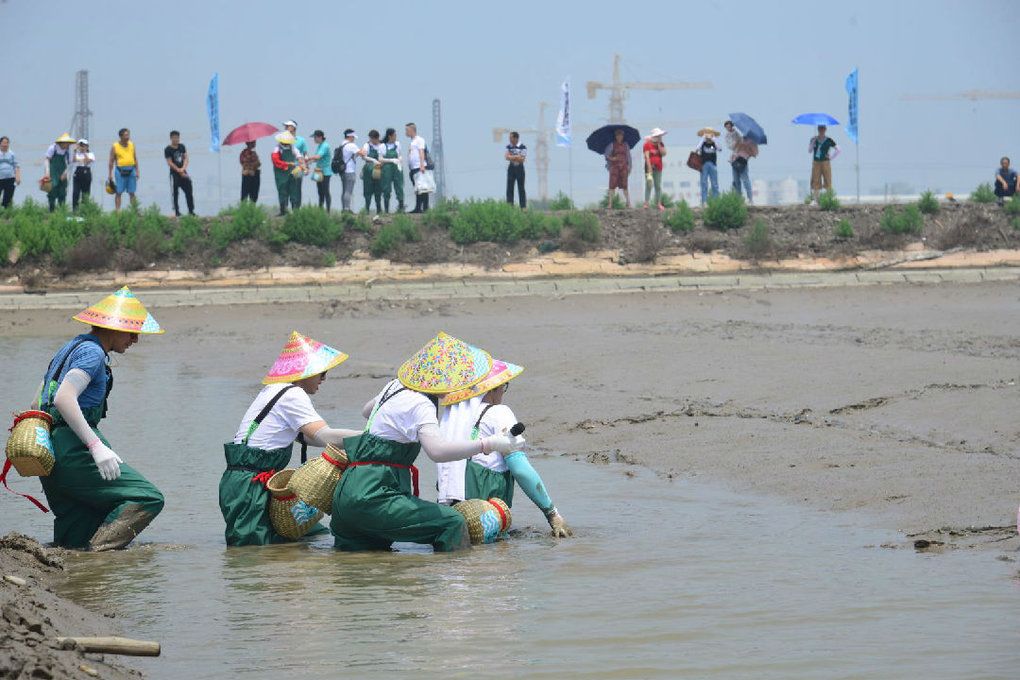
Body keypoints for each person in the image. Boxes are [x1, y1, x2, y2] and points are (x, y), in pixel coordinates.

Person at [330, 332, 525, 552]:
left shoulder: (394, 386)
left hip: (346, 495)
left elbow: (367, 411)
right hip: (375, 496)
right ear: (445, 379)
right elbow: (437, 451)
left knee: (360, 566)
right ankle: (454, 580)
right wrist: (489, 444)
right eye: (459, 379)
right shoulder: (421, 404)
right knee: (451, 523)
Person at [28, 287, 165, 551]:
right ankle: (99, 558)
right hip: (74, 447)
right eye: (131, 331)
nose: (135, 339)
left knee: (79, 527)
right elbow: (64, 398)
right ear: (111, 328)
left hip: (49, 449)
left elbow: (37, 402)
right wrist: (95, 446)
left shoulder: (70, 347)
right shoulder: (92, 354)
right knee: (147, 497)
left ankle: (83, 574)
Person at [220, 331, 362, 546]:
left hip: (248, 482)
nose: (324, 379)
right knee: (250, 556)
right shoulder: (293, 394)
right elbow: (324, 435)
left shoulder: (274, 390)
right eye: (322, 373)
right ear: (305, 373)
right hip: (250, 488)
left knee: (312, 532)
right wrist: (372, 436)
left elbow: (311, 438)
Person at [437, 358, 572, 538]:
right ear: (492, 388)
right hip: (484, 518)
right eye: (504, 385)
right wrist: (552, 514)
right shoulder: (499, 412)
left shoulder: (451, 419)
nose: (503, 391)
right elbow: (520, 469)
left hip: (449, 516)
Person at [271, 132, 303, 216]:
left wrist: (300, 159)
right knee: (282, 191)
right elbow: (276, 161)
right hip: (280, 173)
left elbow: (298, 154)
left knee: (293, 190)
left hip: (291, 172)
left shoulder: (292, 147)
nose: (287, 144)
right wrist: (287, 164)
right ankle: (283, 211)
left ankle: (295, 211)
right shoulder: (277, 149)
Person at [164, 130, 195, 217]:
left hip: (183, 171)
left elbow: (186, 158)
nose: (176, 139)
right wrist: (178, 170)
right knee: (175, 192)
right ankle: (177, 211)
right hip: (174, 173)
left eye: (177, 137)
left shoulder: (182, 146)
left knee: (189, 190)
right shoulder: (168, 149)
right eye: (174, 138)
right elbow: (169, 162)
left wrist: (183, 168)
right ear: (171, 138)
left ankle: (191, 211)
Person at [108, 128, 139, 211]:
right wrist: (110, 175)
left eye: (128, 135)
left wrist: (137, 171)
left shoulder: (132, 144)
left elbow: (135, 158)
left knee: (132, 192)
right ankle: (118, 211)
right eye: (125, 135)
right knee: (119, 192)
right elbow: (111, 161)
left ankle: (134, 210)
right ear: (121, 136)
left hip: (131, 170)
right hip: (120, 171)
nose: (127, 137)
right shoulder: (115, 146)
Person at [43, 133, 76, 212]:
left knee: (62, 191)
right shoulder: (53, 148)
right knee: (52, 191)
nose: (68, 145)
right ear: (62, 142)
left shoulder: (68, 150)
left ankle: (62, 211)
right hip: (53, 172)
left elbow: (70, 163)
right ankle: (51, 211)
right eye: (67, 143)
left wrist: (65, 173)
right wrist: (47, 172)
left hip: (62, 171)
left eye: (69, 143)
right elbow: (47, 159)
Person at [724, 121, 755, 203]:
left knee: (745, 180)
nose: (728, 128)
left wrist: (739, 140)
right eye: (726, 127)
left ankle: (750, 198)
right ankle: (739, 200)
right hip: (734, 160)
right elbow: (730, 146)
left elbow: (748, 150)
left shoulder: (740, 136)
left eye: (729, 126)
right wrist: (736, 143)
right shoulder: (727, 136)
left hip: (742, 160)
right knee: (736, 181)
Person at [808, 124, 839, 201]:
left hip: (825, 162)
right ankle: (816, 199)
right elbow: (809, 150)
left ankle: (829, 199)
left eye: (823, 129)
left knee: (828, 180)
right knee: (816, 180)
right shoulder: (813, 139)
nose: (821, 130)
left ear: (825, 129)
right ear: (818, 129)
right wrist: (813, 142)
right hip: (816, 162)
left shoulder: (829, 140)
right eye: (820, 129)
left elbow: (838, 149)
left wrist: (831, 157)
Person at [282, 120, 308, 207]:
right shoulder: (282, 140)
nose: (285, 128)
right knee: (286, 188)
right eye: (285, 126)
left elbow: (305, 154)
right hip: (286, 168)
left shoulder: (301, 140)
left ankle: (296, 209)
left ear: (293, 128)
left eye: (288, 126)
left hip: (298, 168)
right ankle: (285, 209)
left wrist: (306, 167)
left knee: (297, 189)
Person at [305, 130, 333, 212]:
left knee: (326, 191)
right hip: (318, 171)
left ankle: (328, 211)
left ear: (320, 137)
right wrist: (308, 163)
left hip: (325, 172)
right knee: (320, 192)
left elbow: (317, 157)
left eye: (315, 137)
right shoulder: (319, 145)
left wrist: (308, 158)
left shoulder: (325, 146)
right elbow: (317, 159)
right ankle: (320, 210)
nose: (314, 139)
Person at [604, 127, 631, 208]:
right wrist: (612, 158)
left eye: (621, 135)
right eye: (618, 135)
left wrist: (629, 167)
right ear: (615, 136)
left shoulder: (626, 145)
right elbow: (606, 155)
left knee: (625, 185)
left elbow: (629, 157)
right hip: (614, 167)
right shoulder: (611, 145)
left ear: (623, 136)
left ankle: (628, 202)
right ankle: (610, 203)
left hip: (624, 167)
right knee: (612, 185)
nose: (619, 137)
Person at [380, 128, 405, 213]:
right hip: (387, 169)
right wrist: (391, 160)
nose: (395, 137)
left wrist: (400, 159)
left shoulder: (397, 144)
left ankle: (401, 208)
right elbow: (380, 159)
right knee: (386, 188)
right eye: (394, 135)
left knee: (399, 186)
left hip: (397, 168)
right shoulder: (383, 146)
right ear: (390, 136)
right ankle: (386, 210)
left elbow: (400, 155)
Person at [406, 122, 429, 213]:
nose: (406, 132)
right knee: (417, 189)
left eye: (407, 130)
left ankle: (425, 208)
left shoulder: (419, 140)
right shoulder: (412, 141)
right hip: (413, 169)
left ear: (412, 130)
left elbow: (421, 152)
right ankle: (418, 207)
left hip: (419, 168)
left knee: (423, 188)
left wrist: (422, 165)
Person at [642, 128, 667, 211]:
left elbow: (663, 154)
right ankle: (646, 202)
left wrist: (659, 145)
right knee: (649, 184)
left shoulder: (661, 144)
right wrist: (649, 167)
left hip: (658, 167)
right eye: (658, 136)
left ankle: (658, 203)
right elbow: (647, 156)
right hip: (649, 167)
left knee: (658, 186)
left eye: (660, 136)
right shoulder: (647, 145)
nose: (660, 137)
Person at [361, 129, 385, 214]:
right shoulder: (367, 145)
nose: (371, 140)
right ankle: (367, 208)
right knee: (368, 189)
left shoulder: (381, 145)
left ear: (376, 138)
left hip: (378, 169)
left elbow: (382, 156)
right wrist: (373, 160)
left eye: (372, 139)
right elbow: (364, 156)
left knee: (378, 189)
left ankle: (379, 208)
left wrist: (380, 162)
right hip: (368, 169)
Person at [339, 129, 363, 213]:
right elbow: (362, 153)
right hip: (350, 170)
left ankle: (344, 207)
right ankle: (346, 209)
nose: (354, 139)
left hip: (342, 171)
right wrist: (363, 150)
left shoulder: (342, 144)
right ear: (350, 136)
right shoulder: (351, 145)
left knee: (344, 190)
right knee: (348, 191)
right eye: (353, 137)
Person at [695, 129, 721, 205]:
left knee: (714, 184)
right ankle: (704, 202)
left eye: (710, 134)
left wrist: (714, 139)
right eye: (707, 134)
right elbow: (697, 149)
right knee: (704, 183)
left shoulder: (714, 144)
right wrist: (703, 139)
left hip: (713, 164)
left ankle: (716, 201)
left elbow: (720, 149)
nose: (708, 136)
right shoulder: (702, 144)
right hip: (703, 165)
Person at [71, 139, 95, 210]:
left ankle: (84, 210)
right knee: (75, 193)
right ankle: (75, 210)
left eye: (83, 145)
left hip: (86, 172)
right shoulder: (77, 154)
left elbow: (87, 162)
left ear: (87, 146)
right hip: (77, 172)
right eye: (80, 145)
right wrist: (75, 151)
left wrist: (84, 152)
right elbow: (74, 160)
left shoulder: (91, 154)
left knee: (85, 193)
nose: (81, 147)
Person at [505, 131, 527, 209]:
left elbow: (522, 159)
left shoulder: (522, 146)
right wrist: (516, 156)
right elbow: (506, 157)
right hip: (511, 168)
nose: (509, 139)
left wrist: (512, 157)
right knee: (509, 188)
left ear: (515, 138)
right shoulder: (508, 146)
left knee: (521, 188)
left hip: (519, 168)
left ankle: (523, 207)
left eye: (511, 137)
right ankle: (510, 207)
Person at [0, 136, 21, 208]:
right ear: (0, 143)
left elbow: (16, 166)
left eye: (7, 143)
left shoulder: (12, 154)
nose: (5, 145)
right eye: (4, 143)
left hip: (10, 178)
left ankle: (6, 213)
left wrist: (18, 177)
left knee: (8, 197)